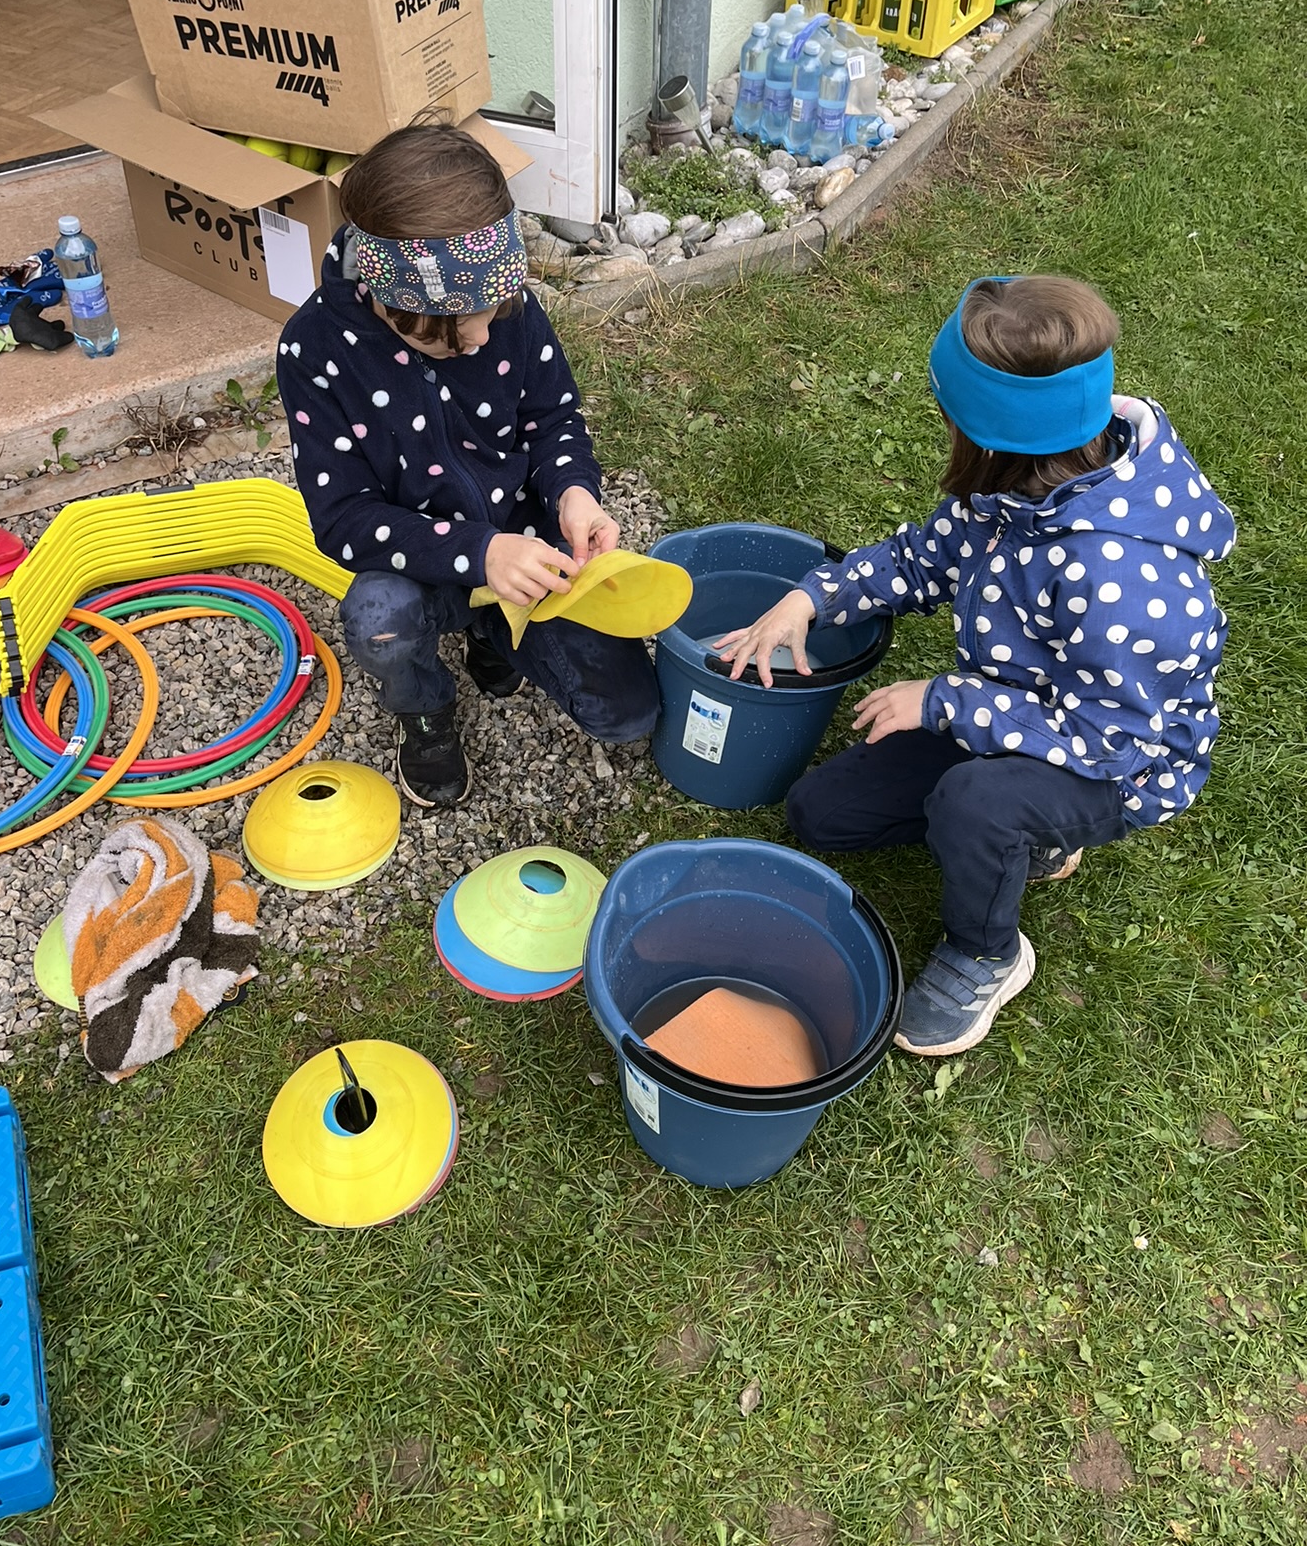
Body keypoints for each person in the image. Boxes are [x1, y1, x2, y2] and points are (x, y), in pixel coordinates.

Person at [716, 275, 1235, 1057]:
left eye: (951, 418)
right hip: (1013, 711)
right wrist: (812, 598)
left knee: (976, 805)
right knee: (823, 815)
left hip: (1115, 765)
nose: (946, 429)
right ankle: (1021, 838)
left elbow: (1110, 742)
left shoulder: (1123, 580)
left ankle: (987, 953)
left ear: (991, 438)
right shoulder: (1018, 486)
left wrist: (944, 702)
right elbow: (921, 560)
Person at [276, 121, 659, 807]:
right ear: (390, 302)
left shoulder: (505, 307)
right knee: (378, 620)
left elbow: (553, 418)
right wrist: (480, 554)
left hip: (533, 548)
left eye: (494, 313)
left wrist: (573, 491)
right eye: (451, 333)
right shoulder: (315, 350)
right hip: (420, 566)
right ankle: (424, 709)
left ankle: (494, 637)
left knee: (627, 717)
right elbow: (343, 519)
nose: (482, 337)